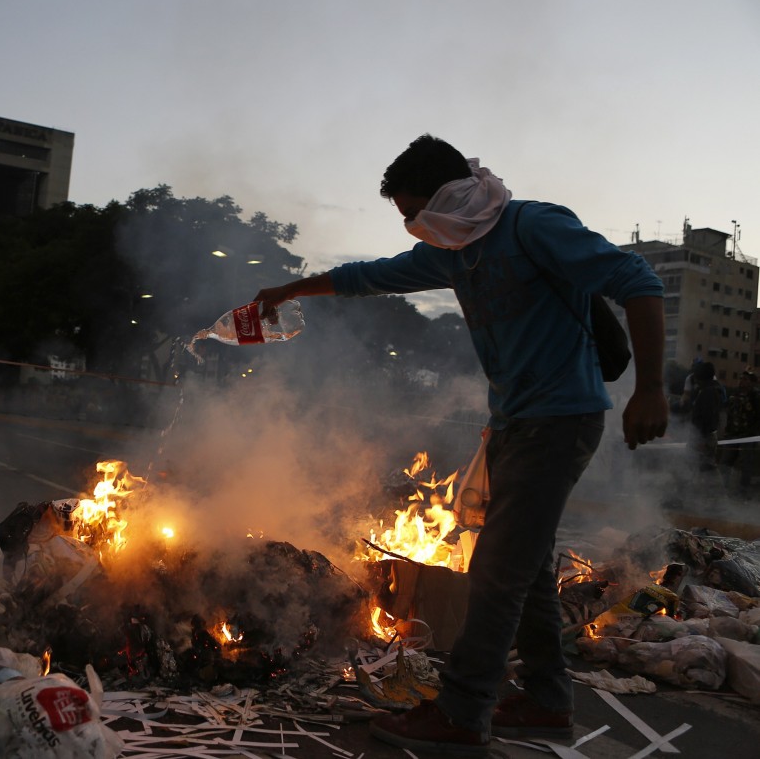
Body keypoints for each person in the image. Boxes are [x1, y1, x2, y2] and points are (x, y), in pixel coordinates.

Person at [253, 135, 667, 755]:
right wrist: (292, 290)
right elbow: (369, 277)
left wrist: (652, 390)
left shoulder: (534, 225)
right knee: (522, 571)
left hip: (561, 419)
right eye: (405, 220)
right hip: (511, 424)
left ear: (448, 197)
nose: (413, 227)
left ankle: (462, 710)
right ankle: (549, 701)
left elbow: (638, 279)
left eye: (415, 212)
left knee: (497, 571)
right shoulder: (453, 252)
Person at [718, 370, 760, 493]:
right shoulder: (734, 394)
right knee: (725, 462)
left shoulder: (756, 397)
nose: (741, 381)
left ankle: (743, 492)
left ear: (752, 383)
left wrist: (753, 432)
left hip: (748, 436)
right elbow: (729, 412)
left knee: (746, 465)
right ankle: (722, 489)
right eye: (741, 378)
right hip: (732, 435)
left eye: (745, 379)